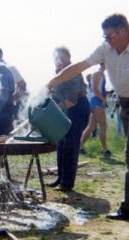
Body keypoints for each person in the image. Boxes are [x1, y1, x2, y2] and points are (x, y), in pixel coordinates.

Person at [48, 14, 129, 220]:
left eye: (109, 36)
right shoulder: (106, 49)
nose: (106, 41)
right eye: (104, 37)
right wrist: (53, 81)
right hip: (125, 103)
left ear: (123, 31)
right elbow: (80, 66)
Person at [46, 46, 90, 191]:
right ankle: (60, 177)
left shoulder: (73, 72)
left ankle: (67, 183)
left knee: (70, 145)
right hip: (64, 109)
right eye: (56, 57)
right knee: (61, 143)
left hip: (77, 109)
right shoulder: (57, 73)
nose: (58, 60)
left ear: (68, 57)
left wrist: (52, 110)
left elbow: (71, 100)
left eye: (61, 57)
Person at [79, 63, 112, 158]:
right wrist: (103, 99)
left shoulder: (100, 74)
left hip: (95, 101)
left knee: (91, 126)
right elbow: (95, 89)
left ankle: (80, 147)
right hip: (97, 101)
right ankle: (105, 150)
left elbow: (98, 89)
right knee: (103, 125)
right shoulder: (98, 74)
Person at [0, 45, 28, 119]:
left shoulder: (9, 68)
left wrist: (12, 99)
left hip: (14, 109)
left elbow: (23, 86)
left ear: (0, 55)